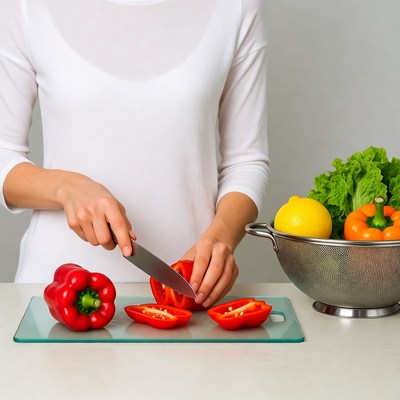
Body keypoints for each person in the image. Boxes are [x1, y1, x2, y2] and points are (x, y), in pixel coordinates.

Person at [0, 0, 269, 308]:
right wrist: (66, 188)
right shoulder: (25, 6)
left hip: (187, 293)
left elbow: (246, 161)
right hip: (55, 296)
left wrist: (223, 236)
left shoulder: (236, 7)